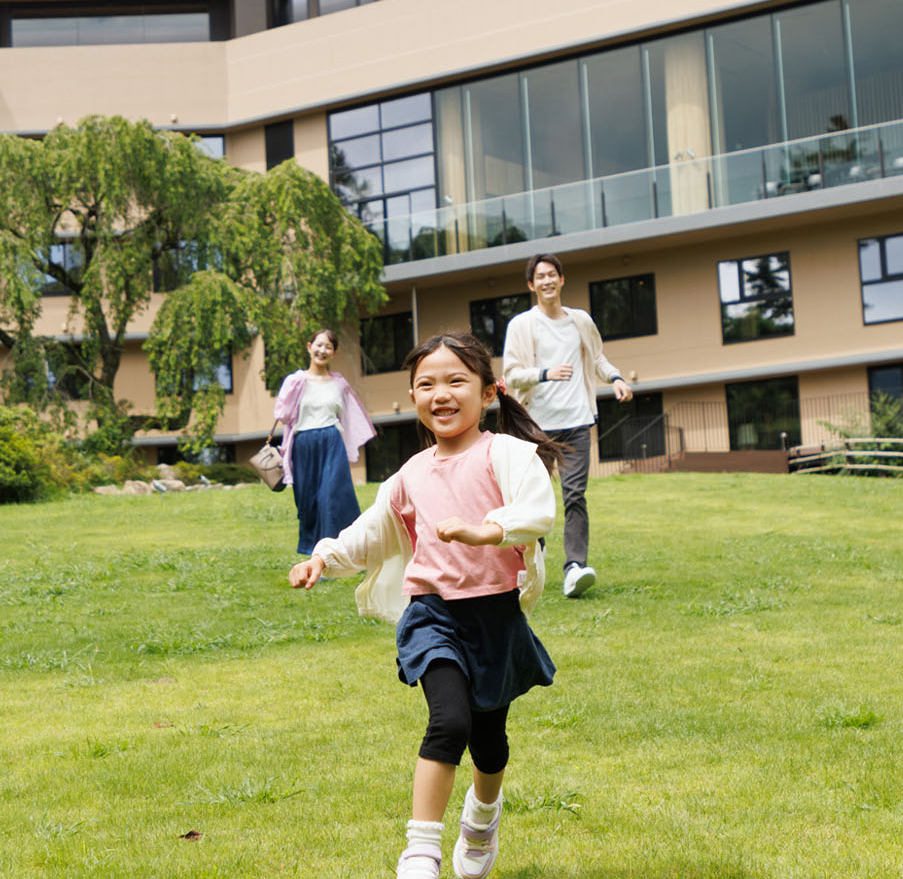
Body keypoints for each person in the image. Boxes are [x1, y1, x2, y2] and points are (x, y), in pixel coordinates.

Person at [289, 332, 563, 879]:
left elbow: (538, 511)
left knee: (490, 741)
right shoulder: (410, 473)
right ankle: (420, 851)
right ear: (413, 397)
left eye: (456, 380)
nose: (441, 393)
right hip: (433, 616)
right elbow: (373, 531)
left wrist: (486, 531)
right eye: (426, 383)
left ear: (489, 392)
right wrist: (326, 556)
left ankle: (483, 817)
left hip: (496, 618)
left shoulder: (506, 454)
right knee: (449, 721)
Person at [499, 252, 633, 598]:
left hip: (576, 421)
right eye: (540, 277)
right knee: (533, 499)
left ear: (562, 280)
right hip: (537, 426)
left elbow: (598, 357)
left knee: (575, 496)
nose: (547, 281)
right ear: (532, 285)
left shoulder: (580, 321)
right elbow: (512, 374)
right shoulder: (521, 325)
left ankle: (574, 568)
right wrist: (545, 373)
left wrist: (615, 378)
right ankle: (532, 565)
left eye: (552, 275)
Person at [270, 329, 377, 556]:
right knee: (308, 501)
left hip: (331, 441)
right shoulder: (296, 380)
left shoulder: (339, 384)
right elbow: (282, 413)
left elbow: (350, 416)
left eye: (328, 347)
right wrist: (291, 389)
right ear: (309, 347)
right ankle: (311, 550)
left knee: (333, 497)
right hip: (303, 443)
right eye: (319, 345)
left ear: (334, 352)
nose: (322, 350)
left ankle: (340, 552)